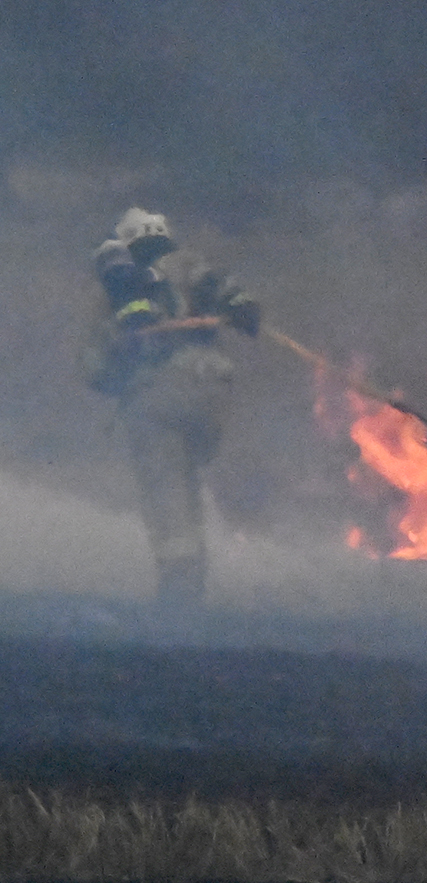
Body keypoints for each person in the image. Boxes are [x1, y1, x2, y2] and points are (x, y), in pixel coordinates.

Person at [81, 208, 260, 607]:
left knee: (165, 489)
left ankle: (180, 586)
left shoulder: (112, 294)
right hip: (212, 395)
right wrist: (245, 313)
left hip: (153, 400)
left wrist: (124, 362)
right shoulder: (189, 266)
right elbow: (235, 298)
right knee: (186, 476)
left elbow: (94, 370)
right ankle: (197, 571)